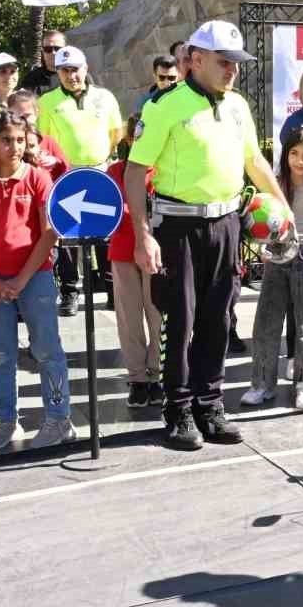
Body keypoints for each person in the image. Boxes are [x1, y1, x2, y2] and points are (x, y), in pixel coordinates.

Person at [128, 20, 285, 450]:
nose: (232, 69)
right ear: (195, 60)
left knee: (219, 317)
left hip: (226, 224)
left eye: (236, 62)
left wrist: (282, 205)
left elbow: (254, 161)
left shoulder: (237, 106)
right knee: (179, 321)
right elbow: (135, 170)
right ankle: (177, 409)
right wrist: (143, 235)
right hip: (176, 227)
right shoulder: (164, 106)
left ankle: (209, 403)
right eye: (223, 61)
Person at [0, 110, 72, 451]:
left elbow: (49, 231)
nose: (14, 147)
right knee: (0, 353)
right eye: (5, 140)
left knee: (47, 350)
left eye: (20, 140)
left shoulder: (38, 179)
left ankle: (58, 418)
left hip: (34, 277)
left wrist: (22, 279)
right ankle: (6, 420)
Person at [245, 127, 303, 409]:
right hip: (278, 261)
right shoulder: (278, 186)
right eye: (294, 153)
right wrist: (264, 249)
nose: (299, 160)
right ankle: (262, 385)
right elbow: (264, 225)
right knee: (266, 324)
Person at [37, 45, 123, 316]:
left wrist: (97, 158)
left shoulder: (105, 97)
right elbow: (45, 140)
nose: (70, 75)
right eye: (64, 70)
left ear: (85, 69)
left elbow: (115, 133)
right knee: (68, 234)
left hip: (100, 173)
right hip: (66, 176)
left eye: (74, 69)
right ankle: (70, 291)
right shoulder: (47, 102)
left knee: (106, 231)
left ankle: (111, 290)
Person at [107, 114, 163, 413]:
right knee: (129, 318)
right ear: (129, 139)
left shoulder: (164, 170)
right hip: (123, 250)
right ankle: (137, 379)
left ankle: (157, 376)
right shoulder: (116, 171)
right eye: (137, 134)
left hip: (157, 254)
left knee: (157, 316)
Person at [20, 30, 66, 98]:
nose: (53, 52)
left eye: (57, 48)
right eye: (48, 49)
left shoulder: (75, 76)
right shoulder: (31, 79)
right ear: (43, 51)